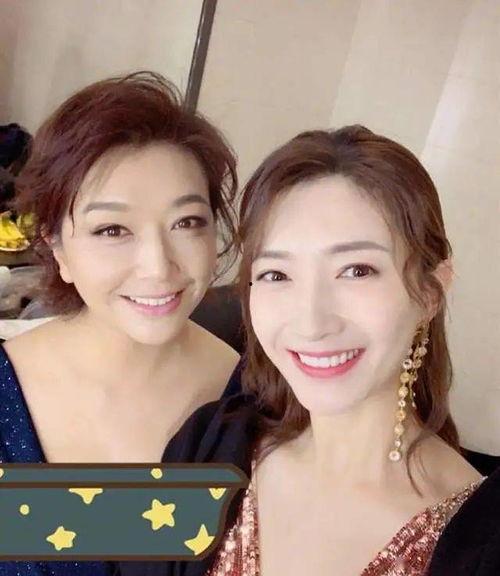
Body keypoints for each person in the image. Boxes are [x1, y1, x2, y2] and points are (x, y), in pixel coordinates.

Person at [149, 125, 485, 576]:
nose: (311, 322)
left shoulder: (481, 541)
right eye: (276, 274)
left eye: (356, 270)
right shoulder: (209, 447)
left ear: (429, 292)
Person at [0, 71, 241, 576]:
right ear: (56, 247)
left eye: (187, 223)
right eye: (112, 229)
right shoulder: (8, 393)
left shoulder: (253, 400)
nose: (157, 267)